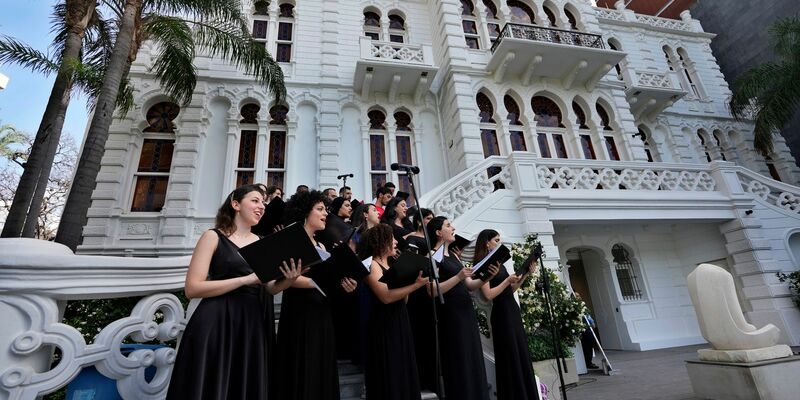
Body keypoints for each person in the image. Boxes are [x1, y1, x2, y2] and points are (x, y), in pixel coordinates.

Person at [166, 184, 304, 400]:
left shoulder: (261, 242)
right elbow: (192, 288)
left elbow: (270, 288)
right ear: (236, 204)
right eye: (255, 200)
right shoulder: (212, 237)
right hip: (216, 321)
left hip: (251, 323)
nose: (262, 206)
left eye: (263, 203)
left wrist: (290, 278)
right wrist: (245, 280)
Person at [275, 190, 358, 400]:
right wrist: (318, 282)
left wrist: (344, 285)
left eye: (326, 210)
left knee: (321, 366)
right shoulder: (291, 239)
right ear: (304, 212)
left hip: (322, 310)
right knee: (302, 365)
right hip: (299, 313)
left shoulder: (322, 244)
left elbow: (330, 278)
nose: (325, 214)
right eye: (320, 209)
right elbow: (285, 278)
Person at [426, 216, 497, 400]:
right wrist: (458, 277)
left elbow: (470, 285)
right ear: (438, 232)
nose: (453, 228)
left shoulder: (454, 255)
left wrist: (487, 277)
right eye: (448, 225)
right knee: (460, 359)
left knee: (472, 357)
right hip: (451, 314)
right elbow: (432, 290)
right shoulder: (432, 255)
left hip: (466, 311)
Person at [360, 224, 428, 400]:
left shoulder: (391, 264)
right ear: (382, 242)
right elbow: (385, 297)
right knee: (390, 370)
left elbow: (404, 299)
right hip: (384, 324)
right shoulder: (372, 265)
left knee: (402, 367)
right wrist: (415, 285)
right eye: (392, 239)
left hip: (399, 319)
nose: (396, 242)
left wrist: (408, 278)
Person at [474, 229, 540, 400]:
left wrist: (525, 273)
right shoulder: (483, 264)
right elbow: (488, 295)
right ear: (487, 243)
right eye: (496, 240)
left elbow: (511, 289)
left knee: (520, 351)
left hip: (511, 309)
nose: (499, 243)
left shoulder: (500, 263)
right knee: (510, 354)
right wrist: (506, 281)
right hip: (501, 313)